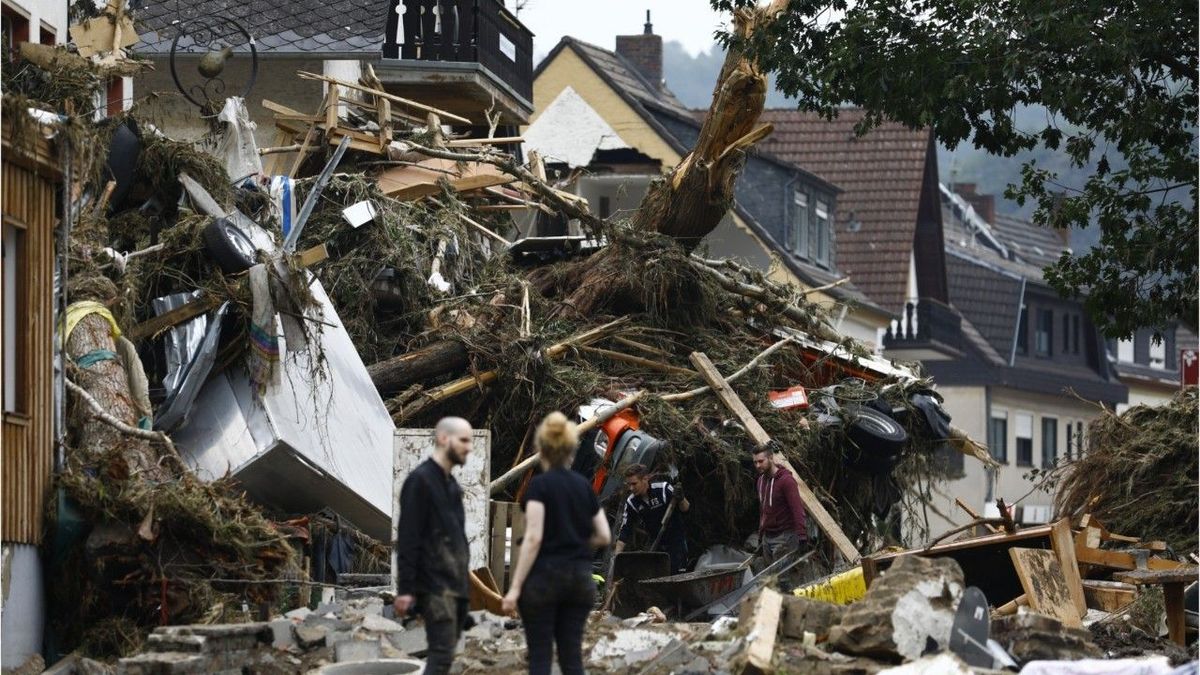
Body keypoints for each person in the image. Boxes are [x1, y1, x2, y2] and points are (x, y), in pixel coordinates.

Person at [502, 412, 611, 675]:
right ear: (571, 450)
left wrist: (515, 588)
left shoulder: (539, 487)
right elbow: (604, 536)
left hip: (545, 581)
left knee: (540, 658)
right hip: (579, 582)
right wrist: (577, 546)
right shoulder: (584, 487)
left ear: (541, 449)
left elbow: (534, 537)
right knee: (572, 659)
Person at [394, 417, 473, 675]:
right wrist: (405, 589)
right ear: (443, 439)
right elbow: (408, 537)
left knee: (445, 655)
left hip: (454, 586)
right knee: (440, 656)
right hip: (434, 585)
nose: (469, 447)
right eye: (463, 440)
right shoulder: (420, 482)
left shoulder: (451, 486)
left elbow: (456, 539)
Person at [614, 464, 690, 573]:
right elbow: (625, 531)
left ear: (645, 479)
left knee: (678, 575)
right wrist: (617, 559)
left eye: (634, 484)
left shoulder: (663, 489)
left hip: (676, 543)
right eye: (629, 484)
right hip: (656, 546)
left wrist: (681, 498)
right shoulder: (632, 502)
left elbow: (686, 509)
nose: (631, 488)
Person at [753, 444, 809, 564]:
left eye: (761, 461)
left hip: (784, 537)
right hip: (767, 538)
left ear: (771, 458)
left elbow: (797, 509)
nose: (758, 465)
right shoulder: (760, 481)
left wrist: (802, 536)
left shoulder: (786, 481)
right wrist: (760, 536)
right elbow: (763, 510)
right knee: (771, 579)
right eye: (755, 462)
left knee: (782, 579)